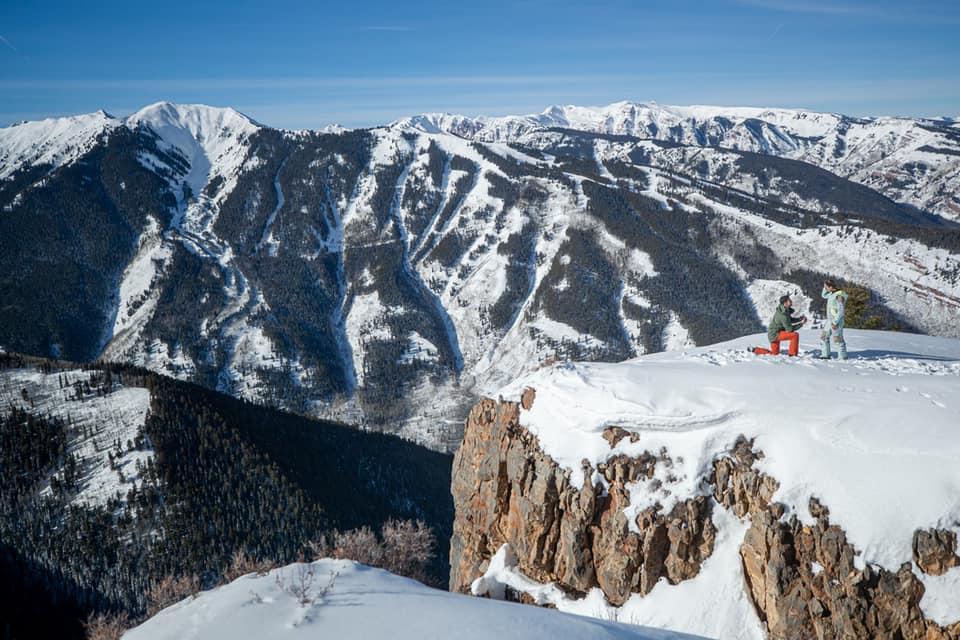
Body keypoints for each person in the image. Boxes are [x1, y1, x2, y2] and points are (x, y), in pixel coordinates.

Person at [820, 279, 848, 360]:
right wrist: (825, 286)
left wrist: (835, 322)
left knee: (837, 339)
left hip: (837, 321)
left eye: (826, 287)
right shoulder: (831, 293)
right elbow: (823, 295)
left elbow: (841, 310)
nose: (825, 289)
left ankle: (842, 357)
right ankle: (825, 355)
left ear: (831, 287)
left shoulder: (839, 296)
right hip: (830, 320)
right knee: (824, 337)